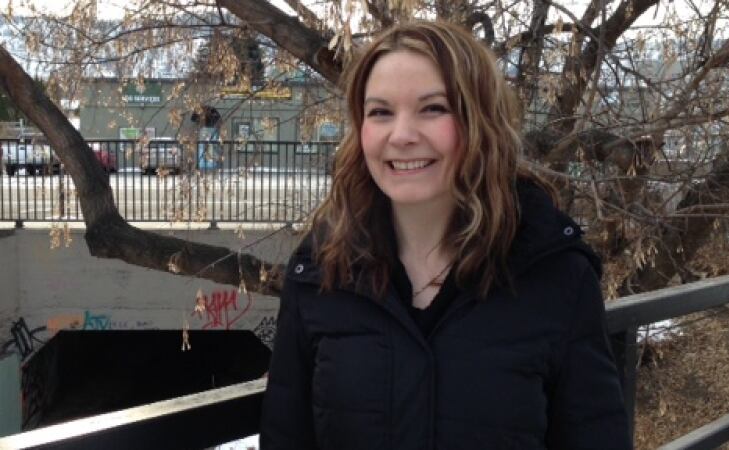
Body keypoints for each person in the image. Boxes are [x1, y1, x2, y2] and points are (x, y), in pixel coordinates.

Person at [261, 20, 632, 450]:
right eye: (380, 112)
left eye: (433, 108)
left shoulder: (556, 275)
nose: (401, 136)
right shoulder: (320, 272)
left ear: (480, 121)